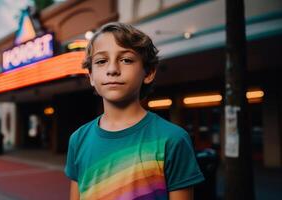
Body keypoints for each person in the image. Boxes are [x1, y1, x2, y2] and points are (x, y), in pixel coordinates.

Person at [65, 22, 204, 200]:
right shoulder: (78, 139)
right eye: (101, 61)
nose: (113, 69)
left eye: (126, 60)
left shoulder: (173, 139)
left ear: (148, 73)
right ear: (91, 76)